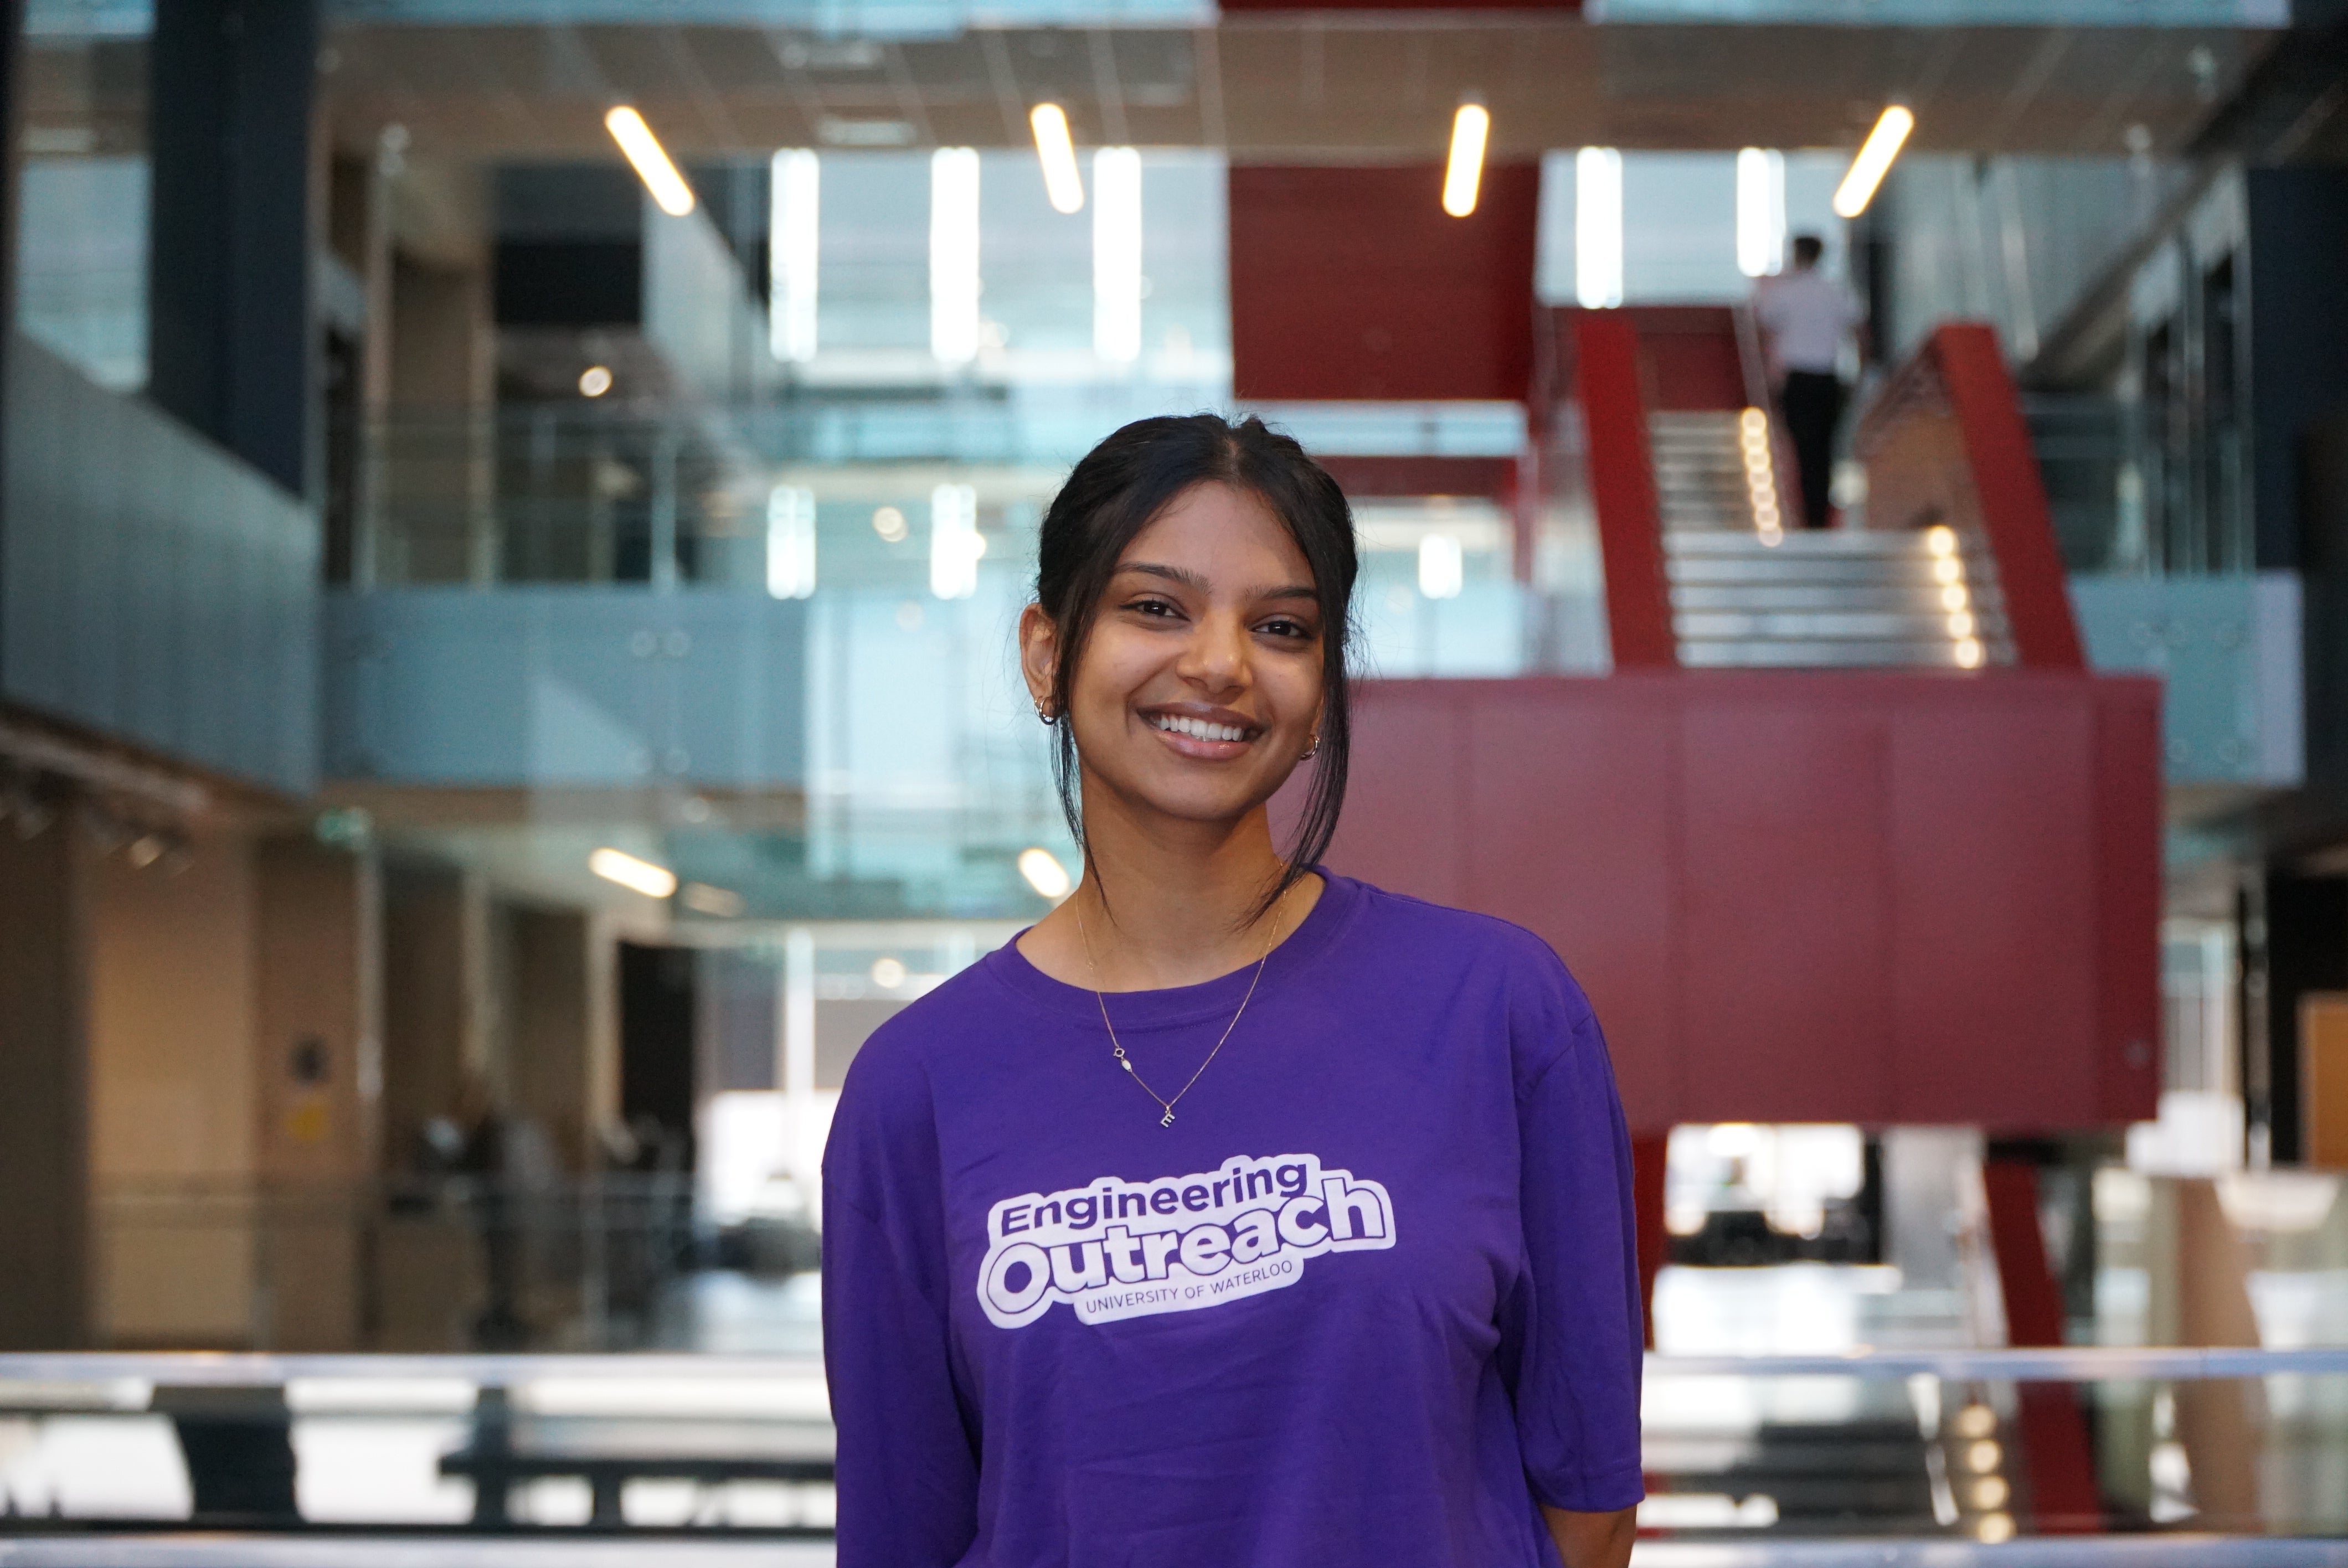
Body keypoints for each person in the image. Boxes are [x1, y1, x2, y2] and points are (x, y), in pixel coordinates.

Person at [821, 413, 1645, 1568]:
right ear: (1046, 655)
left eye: (1280, 626)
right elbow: (903, 1536)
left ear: (1318, 691)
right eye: (1155, 607)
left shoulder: (1499, 1010)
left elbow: (1591, 1502)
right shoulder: (915, 1087)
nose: (1218, 662)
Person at [1753, 233, 1867, 529]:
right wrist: (1861, 373)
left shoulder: (1784, 293)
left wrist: (1769, 376)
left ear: (1796, 254)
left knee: (1802, 446)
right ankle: (1820, 514)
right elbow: (1860, 331)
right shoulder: (1835, 291)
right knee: (1825, 447)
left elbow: (1765, 329)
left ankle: (1807, 513)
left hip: (1798, 379)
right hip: (1827, 378)